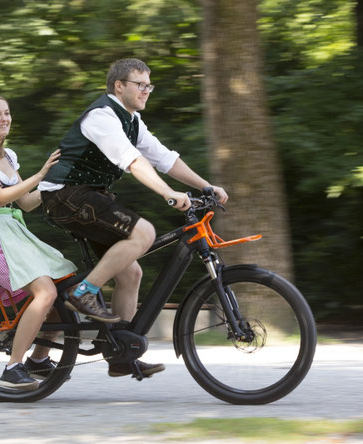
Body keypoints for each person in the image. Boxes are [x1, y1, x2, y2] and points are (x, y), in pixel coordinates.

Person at [38, 58, 229, 378]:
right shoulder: (102, 116)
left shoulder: (132, 121)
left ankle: (120, 353)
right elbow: (133, 161)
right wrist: (169, 194)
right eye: (140, 85)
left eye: (149, 85)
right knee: (144, 233)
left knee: (131, 274)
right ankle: (83, 293)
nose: (147, 91)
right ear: (119, 86)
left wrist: (205, 186)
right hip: (66, 195)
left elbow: (164, 158)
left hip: (89, 197)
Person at [0, 94, 77, 390]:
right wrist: (40, 174)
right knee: (45, 291)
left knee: (68, 287)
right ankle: (14, 365)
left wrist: (55, 184)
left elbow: (25, 202)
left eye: (7, 113)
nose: (4, 119)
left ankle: (38, 359)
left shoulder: (8, 157)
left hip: (15, 231)